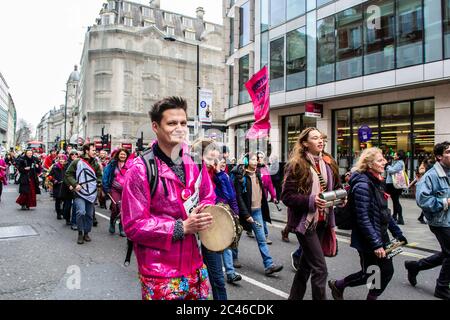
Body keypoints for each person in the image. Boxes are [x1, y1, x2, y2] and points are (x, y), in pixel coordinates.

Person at [121, 97, 216, 300]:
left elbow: (208, 196)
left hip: (195, 266)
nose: (180, 128)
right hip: (159, 273)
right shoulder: (140, 169)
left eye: (183, 123)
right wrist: (181, 227)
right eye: (172, 123)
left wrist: (204, 212)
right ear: (155, 126)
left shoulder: (196, 161)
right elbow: (133, 225)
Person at [328, 147, 407, 300]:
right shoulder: (363, 185)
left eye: (383, 158)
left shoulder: (377, 181)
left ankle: (343, 287)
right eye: (379, 160)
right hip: (367, 238)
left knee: (385, 271)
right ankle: (338, 285)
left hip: (380, 234)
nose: (384, 162)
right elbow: (363, 218)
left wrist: (398, 233)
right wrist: (376, 244)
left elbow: (384, 211)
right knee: (370, 274)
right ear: (369, 164)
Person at [281, 127, 341, 300]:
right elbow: (287, 196)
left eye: (321, 137)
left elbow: (335, 186)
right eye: (315, 138)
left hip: (323, 221)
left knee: (306, 267)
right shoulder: (297, 165)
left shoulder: (329, 162)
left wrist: (340, 196)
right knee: (320, 270)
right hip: (305, 223)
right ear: (305, 143)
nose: (320, 140)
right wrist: (311, 200)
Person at [405, 141, 450, 300]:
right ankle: (442, 287)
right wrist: (445, 202)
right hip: (440, 221)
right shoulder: (430, 176)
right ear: (439, 157)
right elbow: (422, 201)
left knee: (447, 252)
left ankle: (415, 266)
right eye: (448, 152)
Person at [191, 138, 229, 299]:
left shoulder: (218, 173)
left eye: (216, 151)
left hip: (210, 228)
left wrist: (220, 173)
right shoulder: (192, 171)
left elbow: (228, 195)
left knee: (218, 279)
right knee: (192, 277)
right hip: (191, 228)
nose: (215, 154)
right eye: (211, 151)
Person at [234, 152, 283, 276]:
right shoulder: (241, 177)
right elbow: (239, 198)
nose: (255, 162)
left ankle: (269, 265)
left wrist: (274, 197)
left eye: (256, 160)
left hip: (257, 211)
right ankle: (234, 258)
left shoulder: (258, 174)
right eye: (252, 160)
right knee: (236, 237)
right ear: (246, 162)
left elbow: (268, 186)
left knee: (261, 239)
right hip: (244, 212)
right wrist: (246, 215)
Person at [64, 143, 103, 245]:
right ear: (87, 151)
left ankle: (86, 232)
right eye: (93, 150)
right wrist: (75, 184)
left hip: (91, 193)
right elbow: (68, 174)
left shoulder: (96, 163)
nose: (95, 152)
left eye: (95, 150)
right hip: (79, 192)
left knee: (89, 215)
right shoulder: (77, 161)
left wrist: (99, 181)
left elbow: (99, 175)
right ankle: (80, 233)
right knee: (81, 212)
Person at [102, 148, 130, 237]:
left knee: (124, 209)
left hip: (126, 191)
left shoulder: (130, 165)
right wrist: (106, 188)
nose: (123, 156)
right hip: (114, 190)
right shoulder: (112, 165)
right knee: (115, 207)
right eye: (121, 154)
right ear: (118, 155)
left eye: (124, 154)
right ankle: (112, 222)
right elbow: (106, 176)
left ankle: (122, 227)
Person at [256, 151, 278, 245]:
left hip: (263, 197)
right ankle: (249, 229)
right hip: (253, 197)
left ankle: (264, 235)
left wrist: (274, 196)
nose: (260, 159)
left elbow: (269, 184)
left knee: (262, 216)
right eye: (258, 157)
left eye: (262, 157)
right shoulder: (252, 169)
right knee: (254, 216)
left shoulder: (265, 169)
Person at [385, 150, 407, 225]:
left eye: (395, 155)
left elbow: (392, 170)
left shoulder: (400, 163)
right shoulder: (397, 162)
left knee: (396, 201)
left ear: (399, 156)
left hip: (394, 184)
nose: (393, 156)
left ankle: (400, 218)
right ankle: (395, 216)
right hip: (393, 184)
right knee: (395, 201)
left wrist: (387, 166)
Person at [48, 154, 68, 220]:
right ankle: (58, 214)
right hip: (57, 186)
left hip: (65, 186)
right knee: (58, 201)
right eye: (60, 159)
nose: (62, 160)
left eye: (63, 159)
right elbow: (49, 176)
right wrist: (54, 180)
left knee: (66, 201)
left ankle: (64, 212)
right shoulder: (55, 167)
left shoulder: (67, 167)